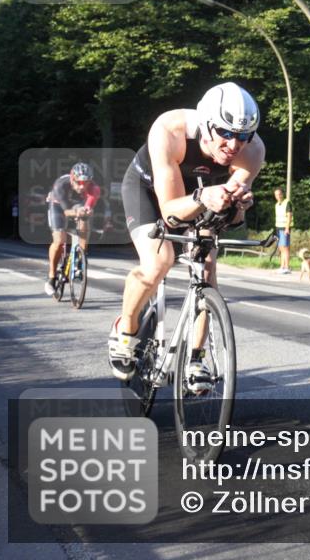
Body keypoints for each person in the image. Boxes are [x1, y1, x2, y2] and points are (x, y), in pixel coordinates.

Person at [111, 82, 265, 390]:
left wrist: (238, 206)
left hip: (203, 195)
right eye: (225, 133)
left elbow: (232, 219)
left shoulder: (253, 150)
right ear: (206, 125)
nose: (234, 144)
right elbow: (169, 213)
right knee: (159, 261)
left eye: (243, 136)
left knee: (206, 266)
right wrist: (203, 197)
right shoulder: (170, 130)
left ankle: (195, 357)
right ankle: (126, 327)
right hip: (149, 191)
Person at [45, 162, 101, 295]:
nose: (82, 186)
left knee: (84, 218)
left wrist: (86, 211)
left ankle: (81, 257)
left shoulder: (94, 189)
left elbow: (87, 206)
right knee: (59, 240)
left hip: (77, 204)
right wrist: (77, 212)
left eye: (85, 183)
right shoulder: (60, 185)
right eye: (78, 182)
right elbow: (66, 212)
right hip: (58, 206)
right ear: (72, 179)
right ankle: (51, 277)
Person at [274, 187, 293, 274]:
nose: (278, 196)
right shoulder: (277, 204)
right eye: (276, 195)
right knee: (281, 248)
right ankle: (282, 266)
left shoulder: (287, 203)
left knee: (285, 247)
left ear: (282, 194)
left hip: (285, 228)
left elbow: (289, 216)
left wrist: (287, 228)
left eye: (279, 194)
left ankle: (287, 267)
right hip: (278, 228)